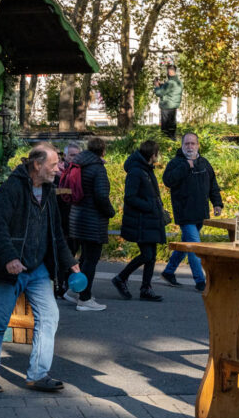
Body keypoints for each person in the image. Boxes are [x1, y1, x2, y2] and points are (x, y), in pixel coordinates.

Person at [0, 143, 79, 393]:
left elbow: (55, 231)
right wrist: (10, 258)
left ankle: (38, 374)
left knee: (50, 316)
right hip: (11, 268)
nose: (58, 169)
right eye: (53, 165)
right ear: (37, 165)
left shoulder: (49, 190)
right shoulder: (12, 188)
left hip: (37, 268)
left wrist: (69, 261)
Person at [160, 133, 223, 292]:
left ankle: (168, 272)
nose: (190, 147)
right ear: (182, 146)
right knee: (195, 246)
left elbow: (213, 185)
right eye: (187, 144)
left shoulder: (204, 163)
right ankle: (200, 281)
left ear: (198, 145)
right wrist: (185, 166)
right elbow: (168, 180)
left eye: (192, 144)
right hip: (184, 213)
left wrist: (217, 203)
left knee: (186, 244)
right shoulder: (176, 163)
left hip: (200, 212)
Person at [111, 139, 166, 302]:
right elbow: (130, 197)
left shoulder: (146, 169)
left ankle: (146, 288)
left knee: (152, 255)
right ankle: (121, 278)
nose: (159, 156)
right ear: (153, 154)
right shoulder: (136, 171)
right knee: (147, 254)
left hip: (150, 220)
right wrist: (150, 205)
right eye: (158, 153)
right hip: (141, 221)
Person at [67, 137, 116, 311]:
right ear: (103, 151)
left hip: (77, 217)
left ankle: (73, 291)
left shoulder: (79, 164)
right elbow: (101, 196)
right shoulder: (97, 169)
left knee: (83, 258)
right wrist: (111, 212)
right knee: (91, 261)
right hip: (92, 221)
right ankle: (84, 298)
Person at [55, 141, 83, 300]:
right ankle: (60, 286)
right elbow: (52, 193)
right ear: (65, 156)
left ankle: (68, 284)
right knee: (62, 255)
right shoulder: (56, 172)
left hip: (76, 220)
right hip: (61, 219)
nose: (75, 158)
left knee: (72, 254)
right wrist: (68, 190)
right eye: (72, 155)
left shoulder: (79, 172)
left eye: (77, 155)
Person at [153, 63, 182, 140]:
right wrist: (161, 86)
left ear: (170, 72)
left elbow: (160, 93)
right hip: (173, 107)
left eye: (168, 71)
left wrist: (156, 87)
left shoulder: (170, 83)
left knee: (165, 129)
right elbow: (170, 91)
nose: (167, 73)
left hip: (166, 107)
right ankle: (172, 143)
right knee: (172, 127)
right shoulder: (179, 82)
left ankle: (165, 144)